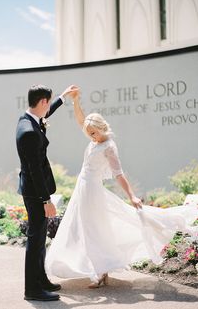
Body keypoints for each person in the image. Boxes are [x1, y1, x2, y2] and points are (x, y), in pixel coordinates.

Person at [46, 88, 198, 288]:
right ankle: (100, 270)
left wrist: (132, 196)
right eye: (89, 133)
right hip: (81, 189)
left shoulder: (108, 146)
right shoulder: (93, 137)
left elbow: (119, 174)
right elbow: (81, 121)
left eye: (94, 132)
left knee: (93, 229)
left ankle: (101, 271)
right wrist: (75, 101)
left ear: (102, 128)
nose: (91, 136)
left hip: (92, 191)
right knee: (82, 227)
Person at [16, 84, 77, 301]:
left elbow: (47, 113)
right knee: (35, 239)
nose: (49, 106)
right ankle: (32, 290)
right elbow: (34, 171)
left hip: (33, 189)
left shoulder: (29, 119)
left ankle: (40, 280)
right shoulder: (29, 132)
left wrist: (62, 97)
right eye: (49, 102)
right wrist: (46, 200)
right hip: (35, 193)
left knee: (40, 238)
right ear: (42, 102)